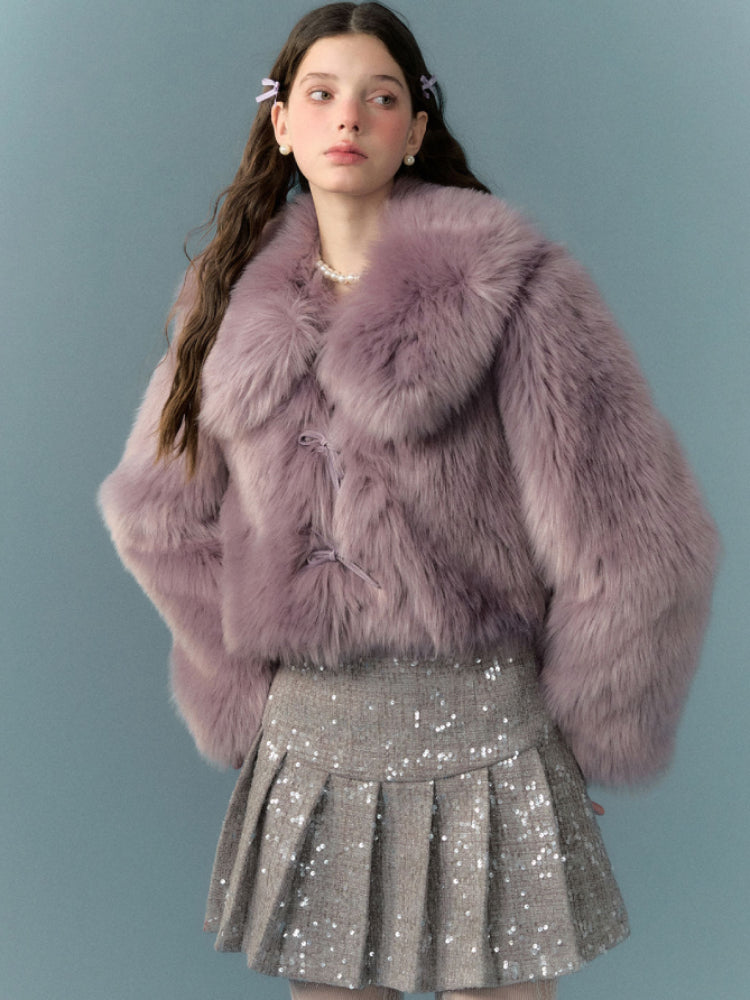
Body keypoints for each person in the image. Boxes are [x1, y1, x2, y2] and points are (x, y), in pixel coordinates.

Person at [98, 4, 719, 999]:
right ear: (282, 123)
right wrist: (249, 696)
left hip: (491, 733)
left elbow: (639, 538)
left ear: (416, 128)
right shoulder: (224, 304)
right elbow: (155, 515)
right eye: (322, 94)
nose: (350, 116)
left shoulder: (519, 291)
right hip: (314, 743)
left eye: (380, 96)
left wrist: (588, 729)